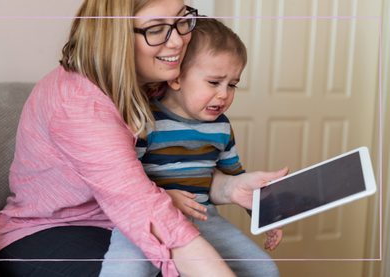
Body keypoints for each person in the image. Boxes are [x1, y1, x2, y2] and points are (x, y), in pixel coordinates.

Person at [0, 0, 288, 276]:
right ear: (114, 33)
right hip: (51, 229)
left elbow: (179, 171)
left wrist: (232, 186)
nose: (179, 41)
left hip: (114, 221)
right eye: (156, 29)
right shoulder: (78, 102)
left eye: (182, 20)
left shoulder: (157, 89)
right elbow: (140, 203)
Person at [99, 17, 284, 277]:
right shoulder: (145, 120)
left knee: (265, 270)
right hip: (148, 218)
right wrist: (165, 197)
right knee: (126, 271)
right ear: (176, 78)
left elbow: (235, 179)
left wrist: (263, 213)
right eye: (214, 82)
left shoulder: (221, 127)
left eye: (232, 85)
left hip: (204, 218)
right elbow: (125, 179)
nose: (224, 94)